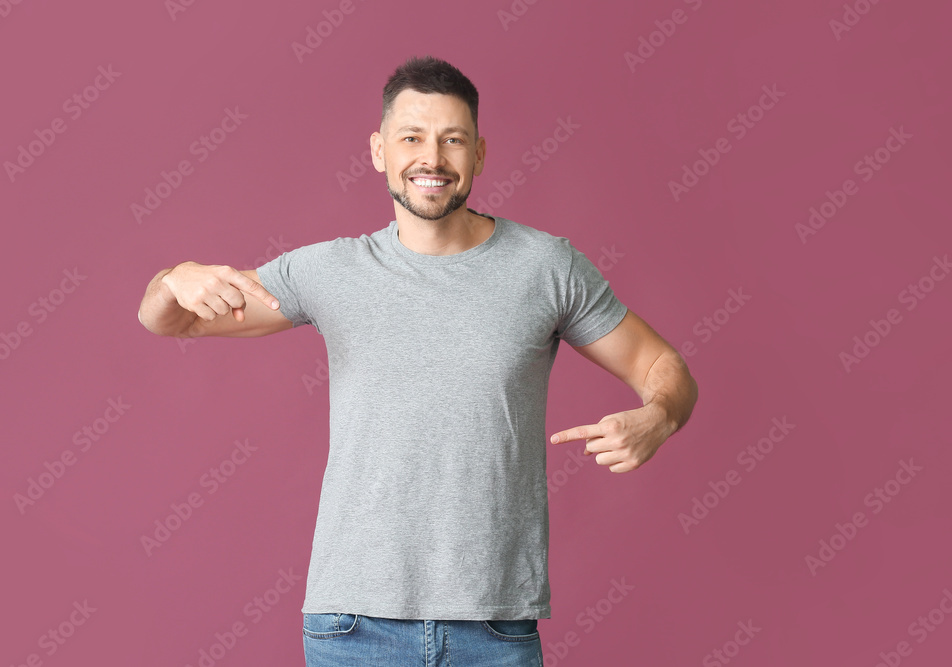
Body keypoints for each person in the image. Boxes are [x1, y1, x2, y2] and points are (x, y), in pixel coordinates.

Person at [138, 54, 698, 667]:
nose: (431, 158)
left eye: (452, 140)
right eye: (412, 138)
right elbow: (173, 319)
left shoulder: (547, 267)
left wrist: (660, 416)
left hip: (496, 626)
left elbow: (661, 365)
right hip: (353, 627)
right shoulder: (328, 271)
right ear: (379, 150)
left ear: (479, 155)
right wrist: (175, 276)